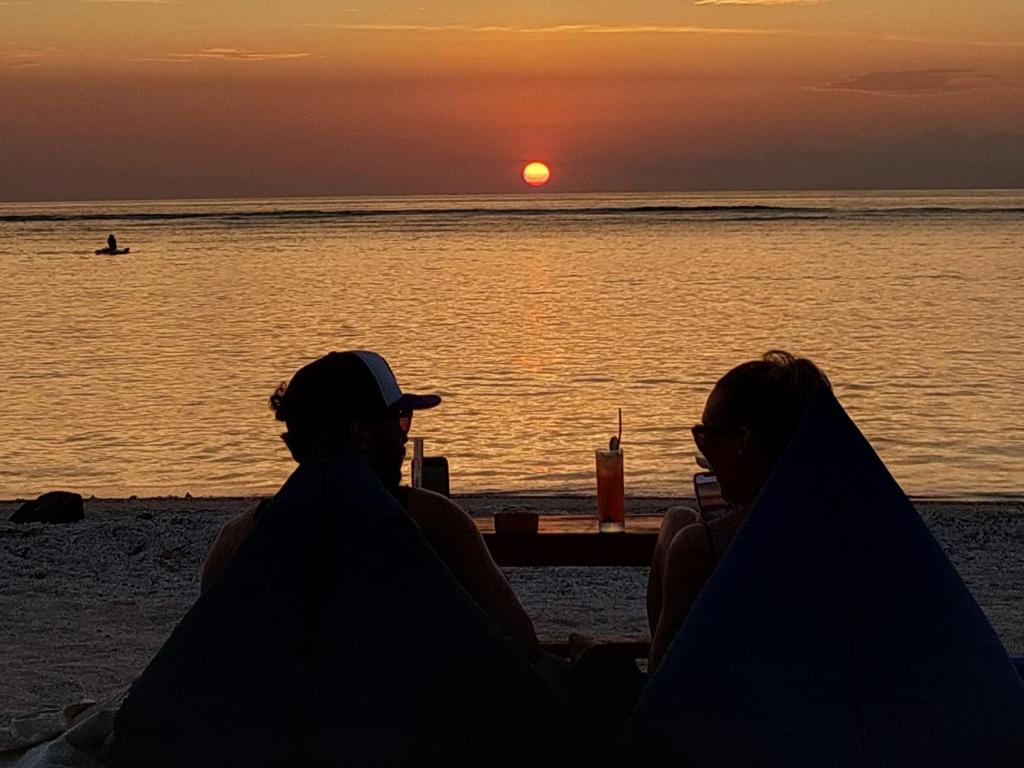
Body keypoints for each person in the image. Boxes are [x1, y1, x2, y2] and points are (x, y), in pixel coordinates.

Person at [200, 349, 539, 656]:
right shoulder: (433, 523)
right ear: (362, 433)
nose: (405, 436)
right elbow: (521, 642)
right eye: (401, 419)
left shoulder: (238, 541)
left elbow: (212, 651)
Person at [646, 350, 830, 670]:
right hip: (831, 698)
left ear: (743, 442)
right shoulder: (852, 522)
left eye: (706, 438)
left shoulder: (703, 549)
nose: (703, 455)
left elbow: (662, 681)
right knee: (678, 518)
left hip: (732, 710)